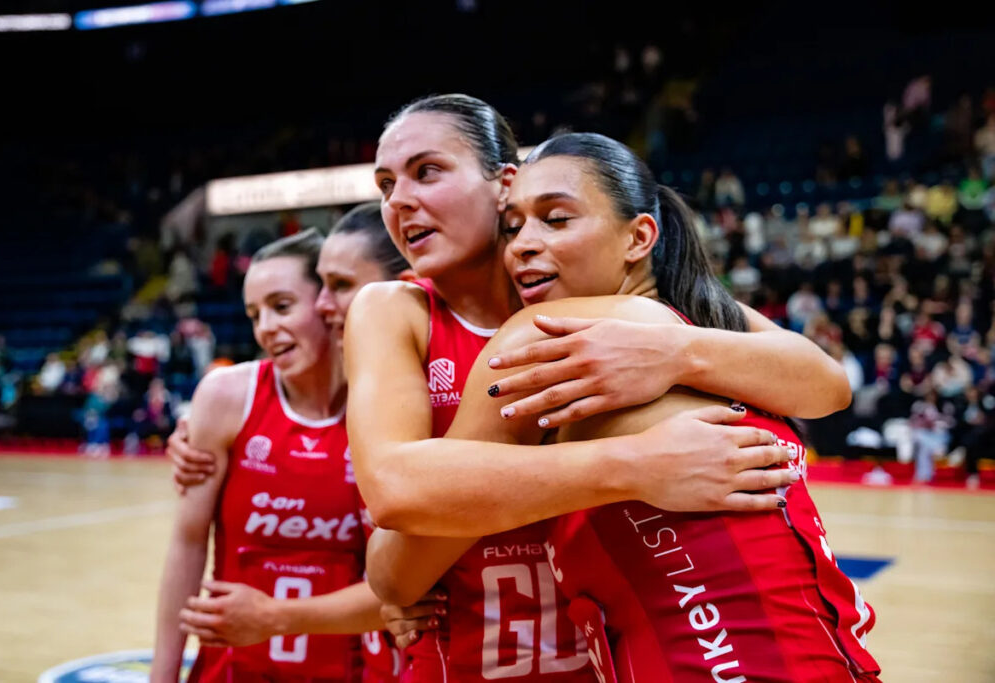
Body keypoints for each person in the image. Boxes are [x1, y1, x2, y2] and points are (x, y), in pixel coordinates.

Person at [345, 95, 851, 681]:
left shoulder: (619, 305)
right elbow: (394, 496)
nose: (398, 200)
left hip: (612, 653)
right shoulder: (400, 308)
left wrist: (674, 352)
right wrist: (634, 463)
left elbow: (826, 384)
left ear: (505, 184)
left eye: (426, 171)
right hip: (475, 655)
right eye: (385, 185)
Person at [153, 228, 395, 682]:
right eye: (254, 313)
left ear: (327, 304)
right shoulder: (227, 396)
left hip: (355, 669)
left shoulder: (386, 404)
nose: (265, 327)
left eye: (282, 306)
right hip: (233, 669)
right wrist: (161, 676)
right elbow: (187, 545)